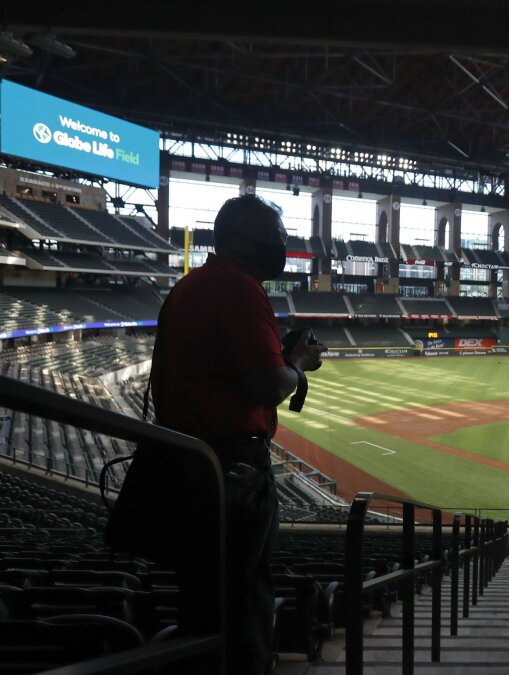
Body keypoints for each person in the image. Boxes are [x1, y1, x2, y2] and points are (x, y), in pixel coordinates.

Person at [151, 194, 325, 674]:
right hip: (230, 474)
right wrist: (298, 363)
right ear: (235, 239)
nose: (282, 245)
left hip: (188, 466)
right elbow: (269, 385)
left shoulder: (192, 285)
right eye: (273, 237)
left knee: (208, 602)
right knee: (243, 603)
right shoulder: (239, 288)